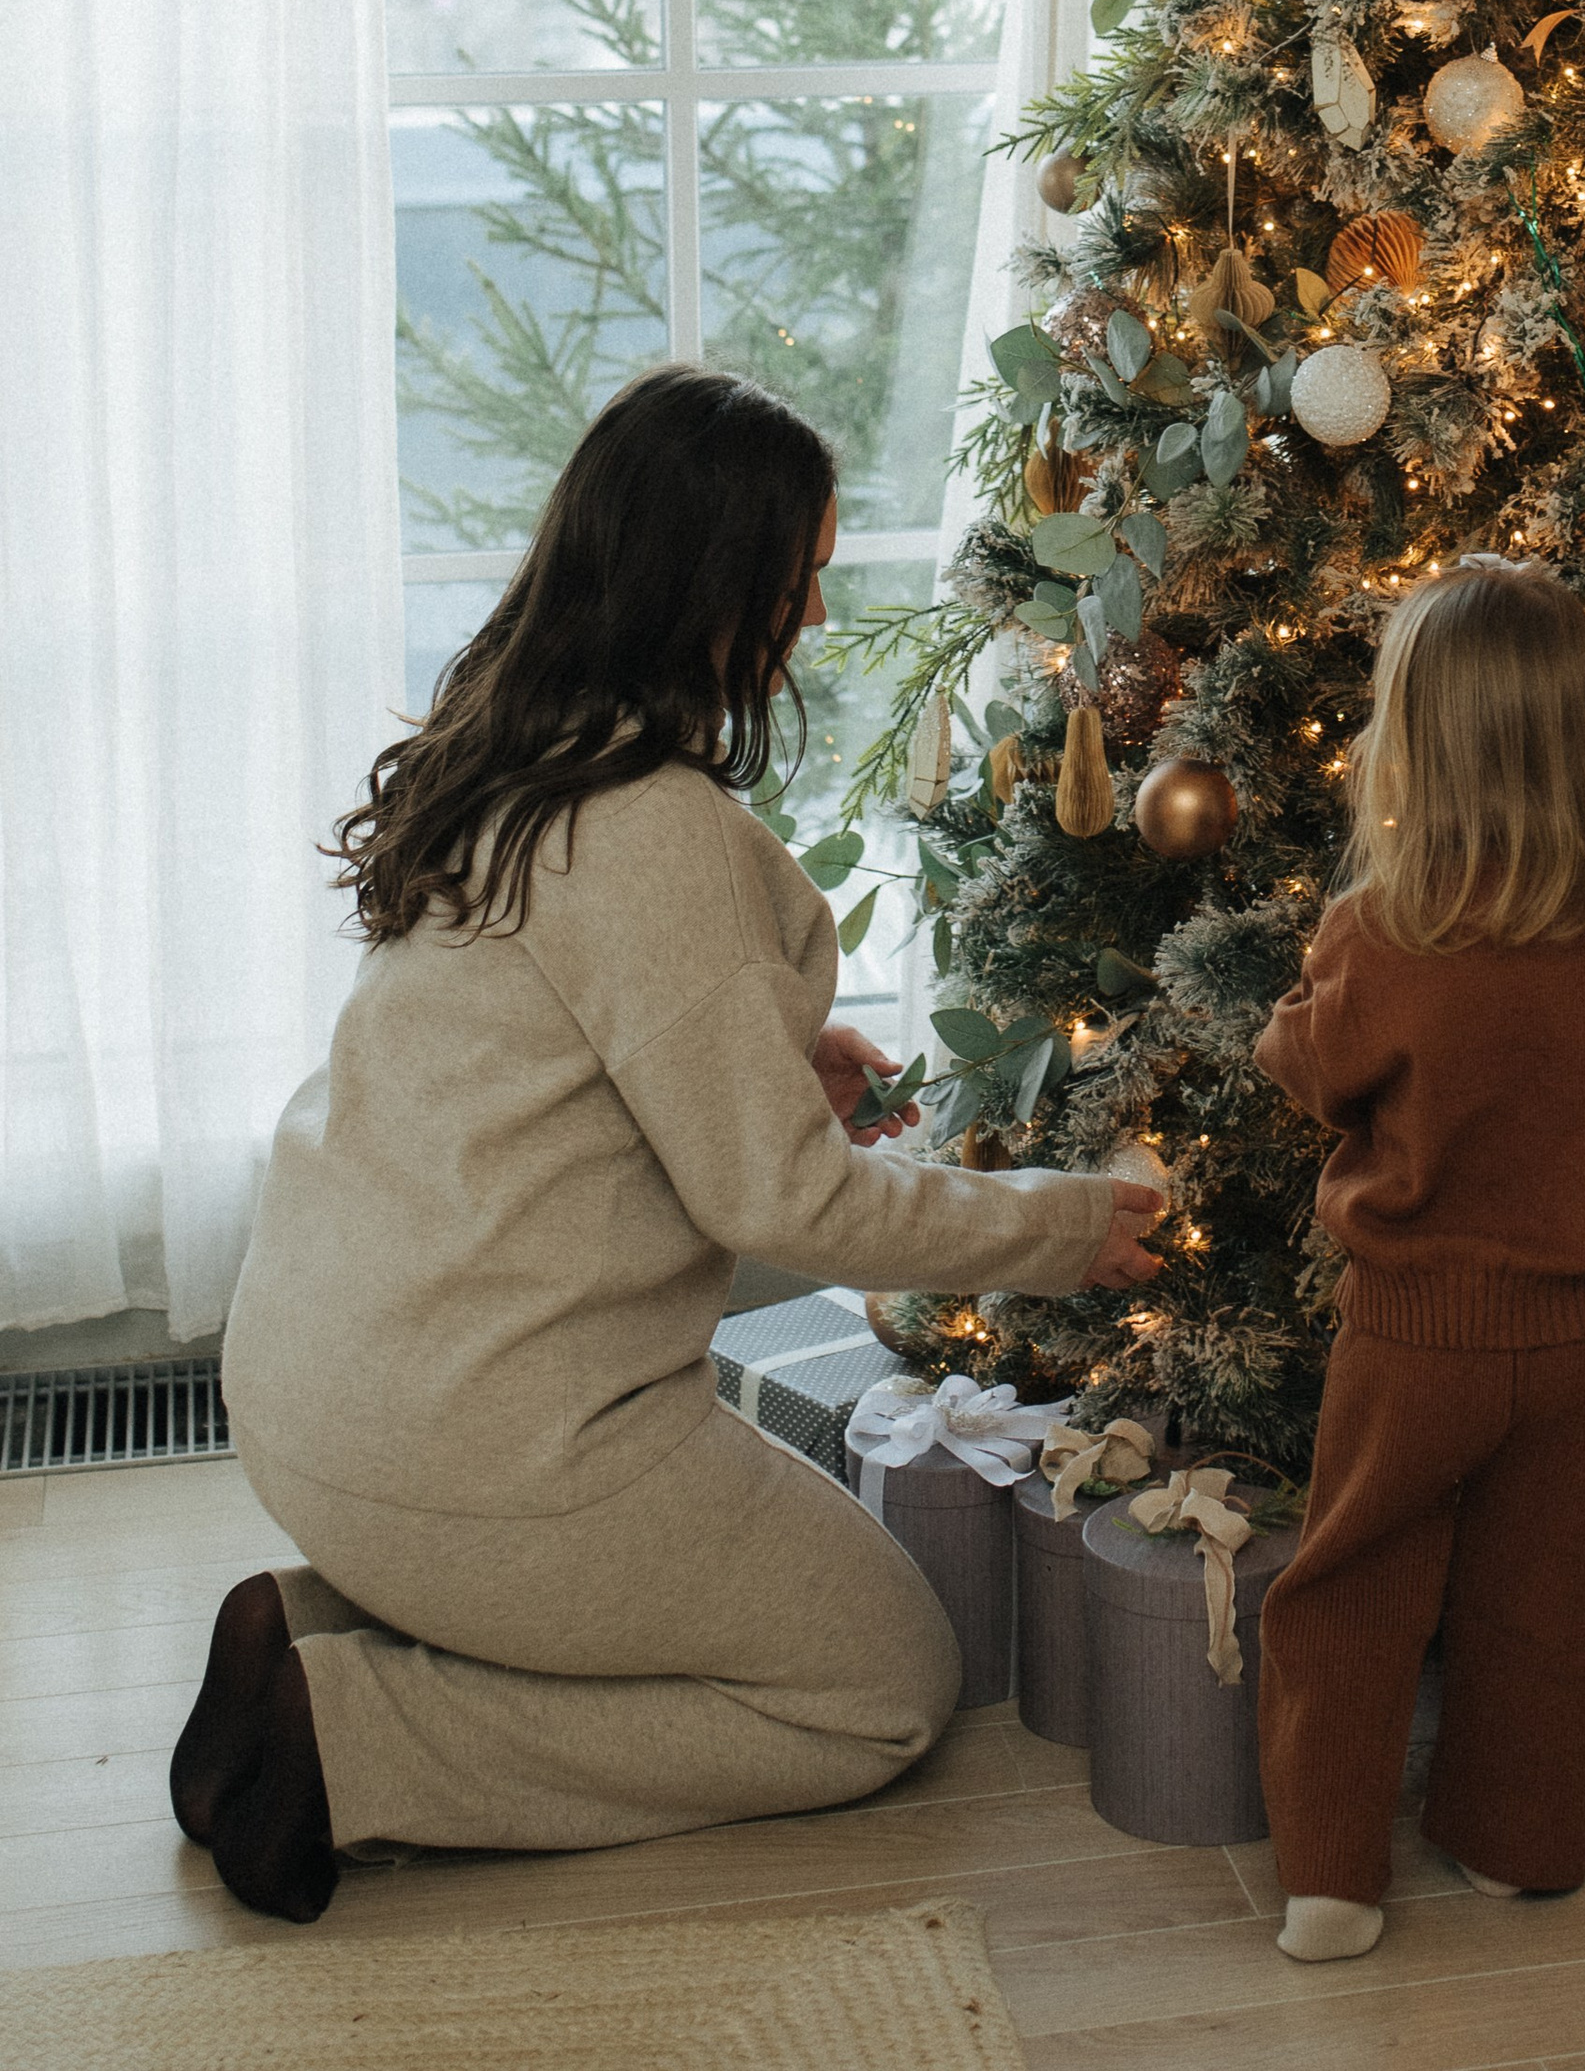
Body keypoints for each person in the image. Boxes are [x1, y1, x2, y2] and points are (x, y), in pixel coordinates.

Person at [173, 365, 1161, 1924]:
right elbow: (788, 1202)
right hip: (480, 1428)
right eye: (795, 578)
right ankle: (351, 1737)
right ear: (709, 589)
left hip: (323, 1386)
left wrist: (766, 1050)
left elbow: (556, 1046)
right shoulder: (649, 822)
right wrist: (1066, 1223)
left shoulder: (516, 757)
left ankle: (304, 1627)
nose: (814, 614)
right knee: (880, 1680)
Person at [1251, 559, 1585, 1961]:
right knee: (1545, 1590)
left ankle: (1333, 1878)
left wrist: (1289, 1019)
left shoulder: (1388, 927)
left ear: (1414, 740)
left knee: (1354, 1581)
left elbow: (1312, 1067)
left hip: (1422, 1330)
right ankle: (1521, 1843)